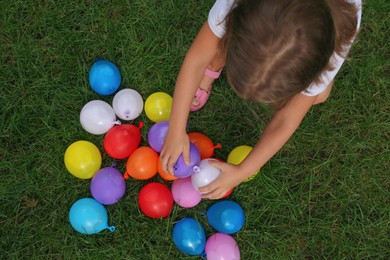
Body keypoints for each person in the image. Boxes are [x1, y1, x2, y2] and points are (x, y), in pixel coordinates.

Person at [160, 0, 362, 199]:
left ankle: (312, 88)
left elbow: (285, 120)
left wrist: (243, 171)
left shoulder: (335, 40)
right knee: (214, 44)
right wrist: (176, 129)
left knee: (319, 95)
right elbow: (196, 60)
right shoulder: (233, 6)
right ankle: (213, 66)